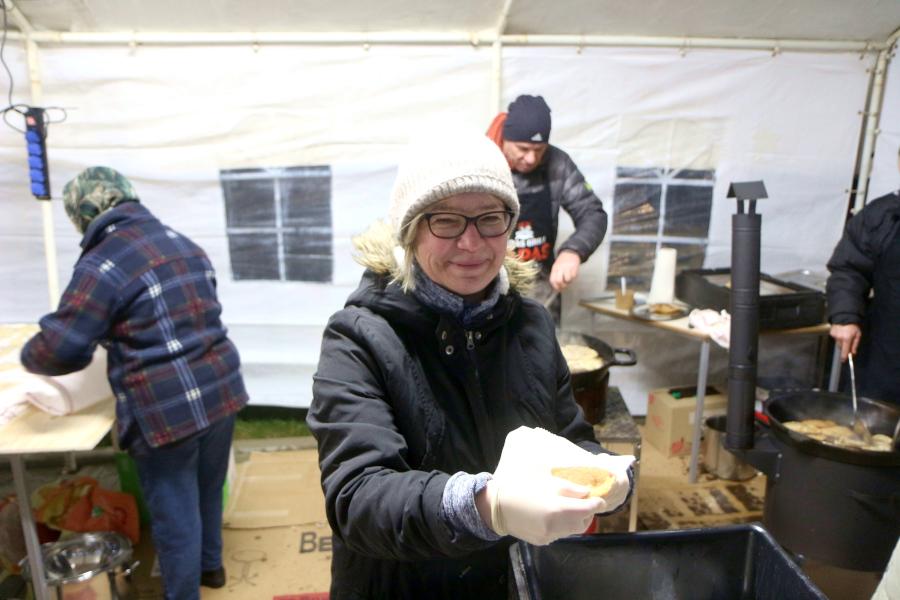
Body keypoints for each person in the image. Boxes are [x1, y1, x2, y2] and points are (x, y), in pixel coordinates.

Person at [307, 131, 633, 599]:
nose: (471, 243)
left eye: (489, 219)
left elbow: (569, 440)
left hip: (511, 582)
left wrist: (609, 474)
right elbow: (359, 497)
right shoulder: (359, 338)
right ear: (410, 228)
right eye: (446, 221)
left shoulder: (531, 326)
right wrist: (486, 505)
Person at [20, 167, 248, 600]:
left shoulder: (103, 263)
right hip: (221, 387)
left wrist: (25, 358)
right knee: (206, 490)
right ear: (128, 197)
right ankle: (211, 569)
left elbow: (61, 348)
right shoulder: (184, 245)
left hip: (165, 411)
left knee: (174, 518)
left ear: (81, 216)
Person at [487, 94, 608, 321]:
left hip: (541, 292)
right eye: (523, 149)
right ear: (505, 139)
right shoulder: (483, 161)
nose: (532, 158)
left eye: (539, 149)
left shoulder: (557, 164)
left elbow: (593, 213)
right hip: (488, 290)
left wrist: (573, 252)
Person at [826, 146, 900, 405]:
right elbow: (849, 268)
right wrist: (845, 317)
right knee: (871, 433)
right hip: (886, 352)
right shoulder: (882, 215)